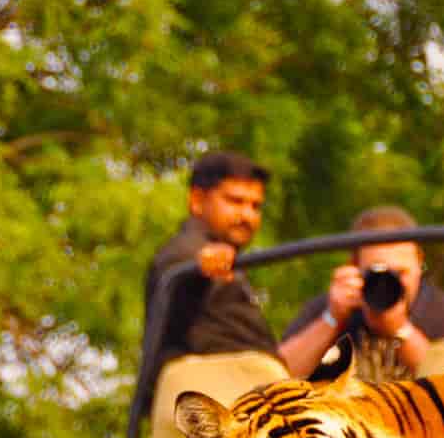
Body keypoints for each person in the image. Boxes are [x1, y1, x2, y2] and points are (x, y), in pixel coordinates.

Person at [144, 150, 344, 377]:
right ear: (198, 201)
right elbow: (180, 273)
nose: (247, 215)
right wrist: (204, 263)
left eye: (255, 206)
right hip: (208, 395)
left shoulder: (230, 264)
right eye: (235, 201)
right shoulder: (185, 252)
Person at [286, 206, 444, 382]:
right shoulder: (329, 310)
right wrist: (332, 319)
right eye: (378, 272)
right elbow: (279, 377)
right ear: (354, 265)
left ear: (419, 261)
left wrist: (401, 331)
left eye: (400, 273)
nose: (388, 284)